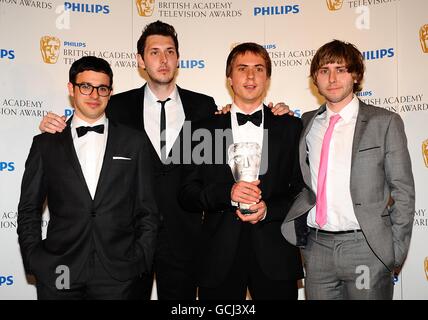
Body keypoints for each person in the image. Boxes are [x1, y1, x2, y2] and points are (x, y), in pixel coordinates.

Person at [38, 21, 290, 300]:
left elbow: (228, 142)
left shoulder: (204, 106)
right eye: (154, 52)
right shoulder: (117, 106)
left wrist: (278, 112)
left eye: (170, 51)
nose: (163, 59)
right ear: (140, 60)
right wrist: (56, 125)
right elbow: (86, 126)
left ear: (178, 59)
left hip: (186, 237)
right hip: (127, 239)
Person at [281, 40, 415, 300]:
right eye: (323, 70)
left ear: (355, 75)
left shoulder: (384, 122)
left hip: (367, 248)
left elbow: (403, 190)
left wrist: (394, 250)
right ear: (315, 79)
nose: (332, 78)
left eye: (340, 69)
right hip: (317, 249)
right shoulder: (306, 123)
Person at [17, 56, 159, 299]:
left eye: (102, 88)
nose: (94, 95)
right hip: (60, 269)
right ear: (71, 89)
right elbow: (29, 208)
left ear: (110, 92)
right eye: (86, 86)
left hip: (118, 273)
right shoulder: (45, 144)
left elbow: (148, 210)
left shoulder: (134, 142)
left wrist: (140, 257)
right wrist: (35, 258)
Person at [179, 42, 304, 300]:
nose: (250, 76)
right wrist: (229, 193)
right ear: (229, 78)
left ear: (267, 78)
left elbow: (301, 191)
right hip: (218, 257)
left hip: (276, 255)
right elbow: (187, 193)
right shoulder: (203, 129)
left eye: (258, 69)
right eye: (242, 68)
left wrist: (269, 209)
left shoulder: (291, 127)